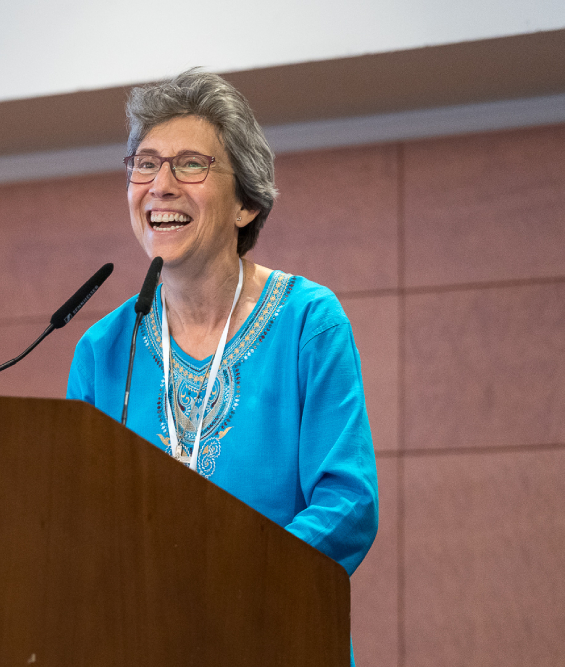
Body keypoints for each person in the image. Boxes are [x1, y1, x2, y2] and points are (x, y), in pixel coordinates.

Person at [66, 69, 378, 665]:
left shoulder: (309, 323)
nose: (159, 185)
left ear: (246, 203)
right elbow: (79, 526)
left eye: (190, 165)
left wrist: (226, 581)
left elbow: (348, 504)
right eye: (145, 164)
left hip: (279, 642)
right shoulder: (103, 351)